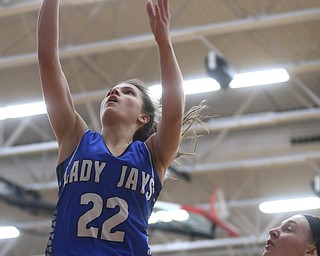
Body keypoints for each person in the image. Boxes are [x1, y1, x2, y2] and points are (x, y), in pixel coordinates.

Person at [37, 0, 187, 255]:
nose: (114, 92)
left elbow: (173, 116)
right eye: (111, 91)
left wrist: (164, 43)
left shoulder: (153, 155)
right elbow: (47, 61)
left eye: (127, 92)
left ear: (144, 117)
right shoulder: (75, 138)